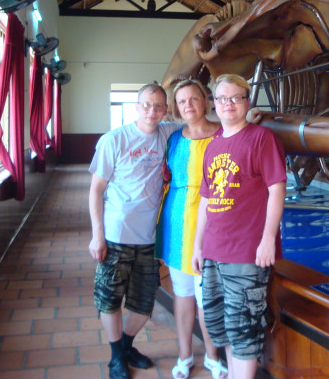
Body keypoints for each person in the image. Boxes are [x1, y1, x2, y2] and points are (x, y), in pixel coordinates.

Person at [192, 74, 287, 379]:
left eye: (236, 98)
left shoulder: (261, 139)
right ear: (214, 103)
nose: (228, 104)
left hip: (246, 251)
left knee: (244, 329)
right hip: (214, 251)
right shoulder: (213, 144)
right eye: (222, 98)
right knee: (222, 326)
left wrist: (268, 239)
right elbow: (206, 200)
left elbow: (277, 189)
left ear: (247, 102)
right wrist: (198, 246)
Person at [88, 83, 180, 379]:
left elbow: (204, 122)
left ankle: (125, 345)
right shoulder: (113, 140)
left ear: (165, 110)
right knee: (110, 299)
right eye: (146, 105)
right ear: (136, 107)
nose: (151, 111)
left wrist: (248, 116)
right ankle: (116, 357)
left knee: (144, 302)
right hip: (116, 235)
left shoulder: (168, 133)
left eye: (158, 106)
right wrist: (97, 235)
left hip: (148, 239)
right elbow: (96, 190)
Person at [156, 79, 227, 379]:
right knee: (183, 293)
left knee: (206, 295)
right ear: (176, 107)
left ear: (206, 101)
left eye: (194, 99)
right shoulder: (172, 138)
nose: (188, 105)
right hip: (177, 221)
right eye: (182, 101)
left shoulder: (224, 134)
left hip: (215, 219)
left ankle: (213, 356)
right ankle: (184, 355)